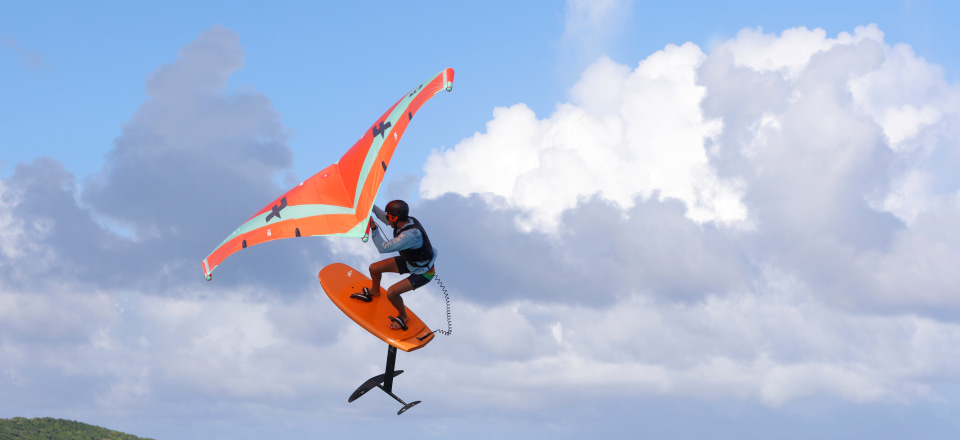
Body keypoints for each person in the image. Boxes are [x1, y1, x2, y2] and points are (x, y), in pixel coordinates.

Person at [351, 200, 438, 331]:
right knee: (374, 269)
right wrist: (368, 204)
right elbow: (383, 217)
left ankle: (403, 316)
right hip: (410, 262)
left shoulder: (410, 236)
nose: (386, 219)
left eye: (388, 216)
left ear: (394, 218)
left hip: (423, 272)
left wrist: (374, 228)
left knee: (392, 293)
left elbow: (383, 248)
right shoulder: (403, 221)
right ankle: (375, 291)